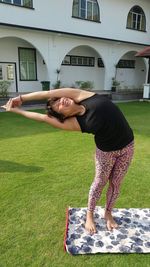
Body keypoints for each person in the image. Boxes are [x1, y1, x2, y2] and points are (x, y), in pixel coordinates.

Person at [2, 88, 134, 234]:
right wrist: (17, 110)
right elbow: (43, 118)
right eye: (57, 106)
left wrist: (21, 98)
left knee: (116, 183)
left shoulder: (81, 95)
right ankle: (89, 215)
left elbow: (47, 94)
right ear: (62, 116)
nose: (61, 101)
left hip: (127, 146)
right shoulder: (75, 123)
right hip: (106, 153)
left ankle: (108, 213)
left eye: (58, 99)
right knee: (99, 183)